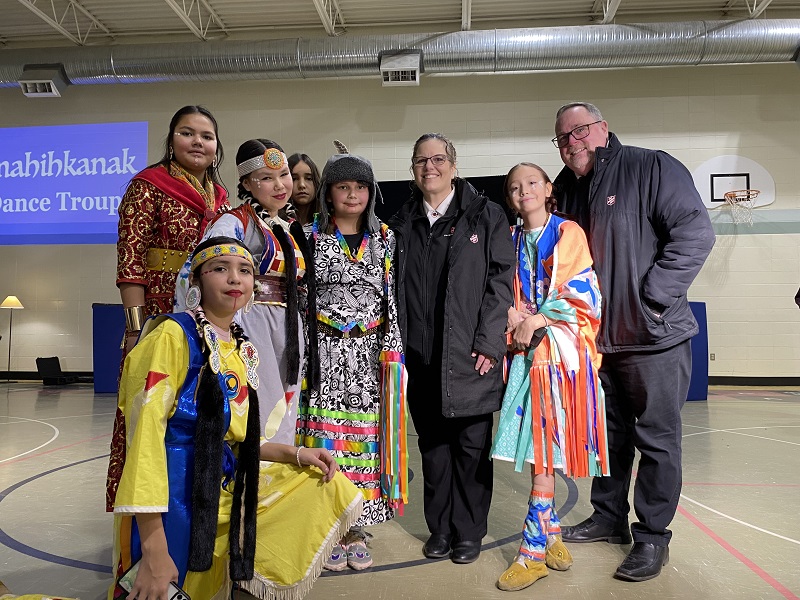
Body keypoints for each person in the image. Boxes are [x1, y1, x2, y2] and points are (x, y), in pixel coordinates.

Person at [111, 236, 362, 600]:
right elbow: (144, 442)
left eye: (244, 270)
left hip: (221, 486)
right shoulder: (171, 335)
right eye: (220, 269)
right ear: (195, 283)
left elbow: (239, 439)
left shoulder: (238, 346)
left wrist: (296, 454)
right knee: (169, 585)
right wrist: (153, 548)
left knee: (320, 484)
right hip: (174, 492)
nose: (235, 279)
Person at [552, 102, 715, 581]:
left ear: (602, 128)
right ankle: (608, 517)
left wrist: (654, 298)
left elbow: (694, 233)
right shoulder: (564, 190)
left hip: (652, 337)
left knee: (658, 441)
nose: (571, 142)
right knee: (608, 437)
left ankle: (652, 537)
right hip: (596, 342)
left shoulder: (651, 166)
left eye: (580, 130)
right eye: (562, 138)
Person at [389, 133, 515, 564]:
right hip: (420, 358)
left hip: (469, 355)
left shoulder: (486, 215)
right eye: (421, 161)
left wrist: (488, 342)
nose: (430, 167)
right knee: (433, 447)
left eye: (438, 159)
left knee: (470, 448)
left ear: (454, 165)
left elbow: (501, 283)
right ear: (413, 170)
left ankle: (468, 532)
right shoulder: (401, 221)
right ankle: (439, 529)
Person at [106, 104, 229, 511]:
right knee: (152, 413)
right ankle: (145, 518)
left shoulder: (224, 198)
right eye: (187, 133)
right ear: (171, 140)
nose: (197, 142)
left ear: (216, 146)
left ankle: (197, 509)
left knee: (201, 412)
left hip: (207, 318)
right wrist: (134, 328)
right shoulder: (147, 185)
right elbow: (131, 259)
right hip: (159, 316)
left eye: (206, 136)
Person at [491, 163, 607, 591]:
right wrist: (512, 315)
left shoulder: (567, 233)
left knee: (543, 451)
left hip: (561, 357)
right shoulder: (509, 238)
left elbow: (584, 292)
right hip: (526, 356)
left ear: (548, 188)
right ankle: (554, 532)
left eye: (532, 183)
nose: (525, 191)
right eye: (515, 187)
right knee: (542, 446)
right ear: (510, 197)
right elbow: (500, 288)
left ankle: (532, 552)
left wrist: (538, 317)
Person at [297, 150, 408, 571]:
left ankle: (357, 526)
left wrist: (392, 352)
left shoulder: (385, 238)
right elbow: (302, 300)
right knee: (326, 441)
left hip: (367, 357)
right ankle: (329, 526)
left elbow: (390, 299)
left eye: (360, 186)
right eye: (343, 186)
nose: (352, 194)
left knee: (363, 443)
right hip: (324, 356)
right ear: (329, 193)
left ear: (371, 192)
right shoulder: (307, 235)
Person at [176, 139, 318, 459]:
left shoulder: (293, 226)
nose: (280, 185)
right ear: (246, 183)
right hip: (253, 324)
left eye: (283, 174)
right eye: (266, 178)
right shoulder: (233, 223)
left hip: (290, 328)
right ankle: (257, 482)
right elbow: (204, 273)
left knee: (287, 408)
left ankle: (279, 482)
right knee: (261, 406)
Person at [288, 153, 321, 234]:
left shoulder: (328, 224)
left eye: (309, 178)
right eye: (294, 179)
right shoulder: (275, 223)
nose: (302, 185)